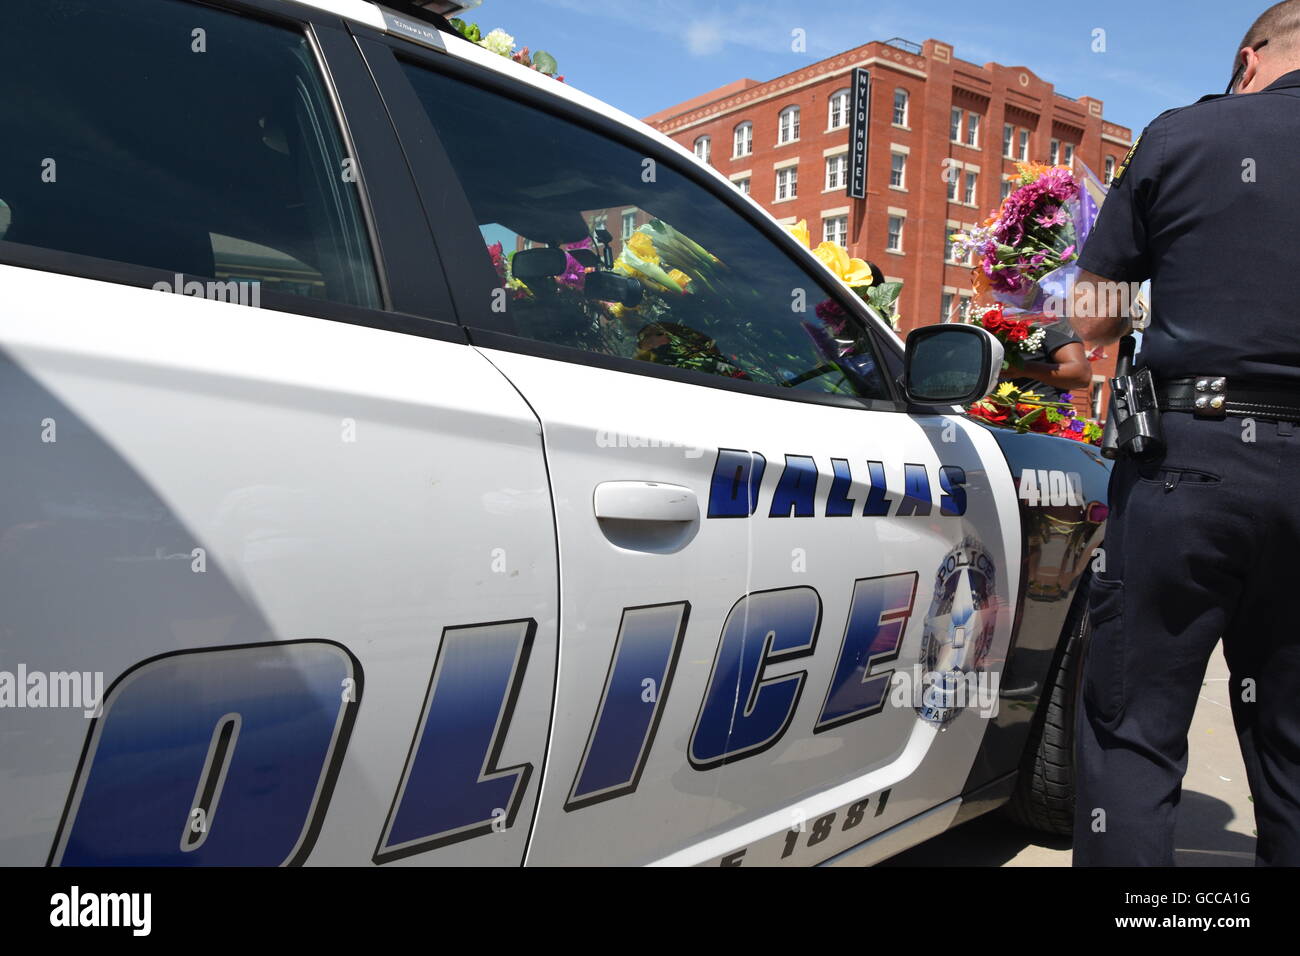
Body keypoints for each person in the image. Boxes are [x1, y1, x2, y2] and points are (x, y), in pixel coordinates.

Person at [1070, 0, 1300, 866]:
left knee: (1135, 727)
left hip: (1191, 463)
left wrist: (1054, 338)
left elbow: (1092, 317)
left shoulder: (1183, 137)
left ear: (1250, 58)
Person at [1004, 323, 1091, 404]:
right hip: (994, 411)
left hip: (1035, 415)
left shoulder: (1053, 321)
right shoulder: (999, 315)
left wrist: (1025, 368)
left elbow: (1082, 374)